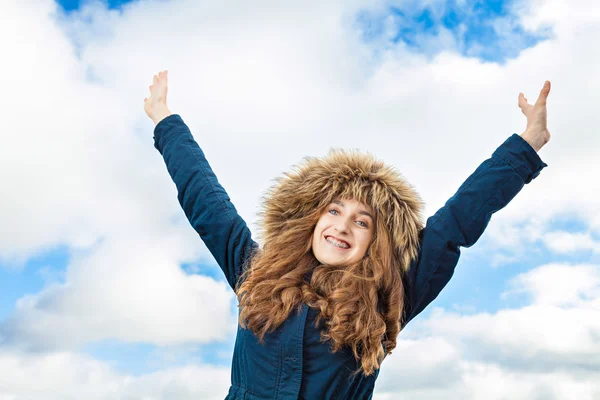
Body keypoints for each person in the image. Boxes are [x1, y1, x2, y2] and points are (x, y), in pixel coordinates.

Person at [144, 70, 551, 399]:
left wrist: (526, 145)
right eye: (334, 210)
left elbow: (455, 222)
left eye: (362, 221)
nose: (342, 225)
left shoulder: (391, 295)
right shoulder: (256, 273)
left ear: (375, 241)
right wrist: (166, 121)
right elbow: (205, 200)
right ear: (314, 220)